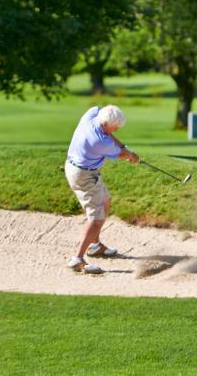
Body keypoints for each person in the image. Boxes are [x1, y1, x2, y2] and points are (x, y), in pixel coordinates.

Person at [64, 104, 139, 274]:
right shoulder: (99, 140)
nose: (116, 131)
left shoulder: (91, 115)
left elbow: (99, 110)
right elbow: (122, 154)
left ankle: (95, 245)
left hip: (80, 168)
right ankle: (78, 259)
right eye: (115, 127)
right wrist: (132, 156)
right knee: (96, 218)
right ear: (105, 124)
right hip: (84, 176)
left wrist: (125, 148)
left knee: (105, 202)